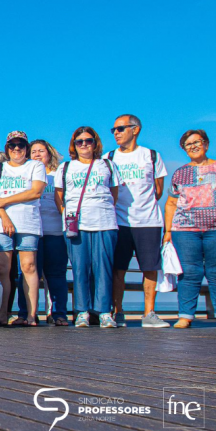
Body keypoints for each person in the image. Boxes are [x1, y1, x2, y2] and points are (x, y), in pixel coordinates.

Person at [55, 127, 121, 328]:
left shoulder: (107, 165)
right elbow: (59, 195)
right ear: (73, 145)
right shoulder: (66, 167)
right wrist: (66, 214)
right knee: (80, 268)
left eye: (88, 140)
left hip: (104, 221)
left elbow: (114, 193)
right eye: (79, 141)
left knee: (104, 268)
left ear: (95, 143)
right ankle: (81, 311)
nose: (84, 144)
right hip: (77, 224)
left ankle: (103, 311)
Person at [108, 114, 169, 328]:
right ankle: (118, 312)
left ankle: (149, 313)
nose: (116, 132)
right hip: (118, 222)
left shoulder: (151, 156)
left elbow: (158, 190)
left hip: (149, 221)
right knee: (118, 269)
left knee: (150, 268)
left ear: (135, 130)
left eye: (120, 128)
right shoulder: (110, 157)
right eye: (114, 129)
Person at [0, 130, 47, 326]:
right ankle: (2, 313)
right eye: (12, 145)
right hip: (1, 223)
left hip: (27, 222)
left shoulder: (35, 166)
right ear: (7, 149)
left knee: (28, 266)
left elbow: (36, 192)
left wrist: (6, 200)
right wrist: (5, 217)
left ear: (26, 148)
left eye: (20, 145)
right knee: (3, 268)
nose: (16, 149)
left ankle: (31, 315)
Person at [164, 130, 216, 329]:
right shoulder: (179, 172)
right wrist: (168, 231)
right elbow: (171, 203)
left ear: (206, 144)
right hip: (185, 230)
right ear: (184, 149)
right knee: (189, 273)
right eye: (188, 144)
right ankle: (186, 315)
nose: (194, 146)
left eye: (197, 142)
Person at [24, 139, 70, 326]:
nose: (37, 154)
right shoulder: (25, 174)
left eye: (40, 151)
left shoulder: (57, 174)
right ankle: (27, 313)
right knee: (27, 273)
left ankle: (58, 313)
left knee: (56, 274)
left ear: (49, 153)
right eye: (33, 151)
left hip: (55, 230)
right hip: (32, 230)